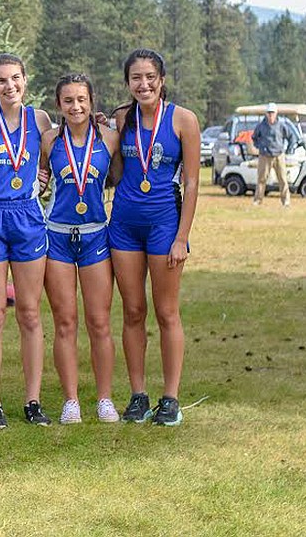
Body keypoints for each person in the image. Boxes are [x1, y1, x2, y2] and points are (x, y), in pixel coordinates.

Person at [109, 49, 201, 427]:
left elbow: (192, 183)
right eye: (136, 78)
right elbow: (112, 171)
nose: (143, 84)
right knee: (132, 311)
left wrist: (182, 237)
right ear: (128, 83)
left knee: (166, 312)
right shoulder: (120, 119)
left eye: (150, 77)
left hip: (165, 227)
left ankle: (170, 398)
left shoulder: (183, 120)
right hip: (124, 227)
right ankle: (138, 395)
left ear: (161, 79)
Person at [0, 54, 54, 429]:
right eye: (1, 81)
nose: (10, 86)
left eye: (15, 78)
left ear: (25, 79)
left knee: (31, 313)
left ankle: (33, 400)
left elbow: (66, 145)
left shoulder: (41, 119)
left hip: (28, 216)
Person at [40, 74, 120, 424]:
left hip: (95, 236)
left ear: (92, 102)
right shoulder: (47, 141)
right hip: (56, 236)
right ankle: (71, 400)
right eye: (68, 100)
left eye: (82, 100)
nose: (76, 106)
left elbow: (117, 176)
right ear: (59, 105)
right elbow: (39, 180)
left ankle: (104, 399)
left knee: (99, 321)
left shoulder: (110, 138)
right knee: (65, 322)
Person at [252, 102, 294, 206]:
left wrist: (289, 149)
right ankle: (258, 200)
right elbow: (254, 138)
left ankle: (286, 201)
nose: (271, 115)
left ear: (276, 114)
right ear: (266, 114)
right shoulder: (261, 126)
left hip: (279, 155)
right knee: (261, 179)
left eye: (272, 113)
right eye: (269, 113)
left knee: (283, 179)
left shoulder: (282, 125)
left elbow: (291, 137)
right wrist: (259, 146)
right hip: (265, 156)